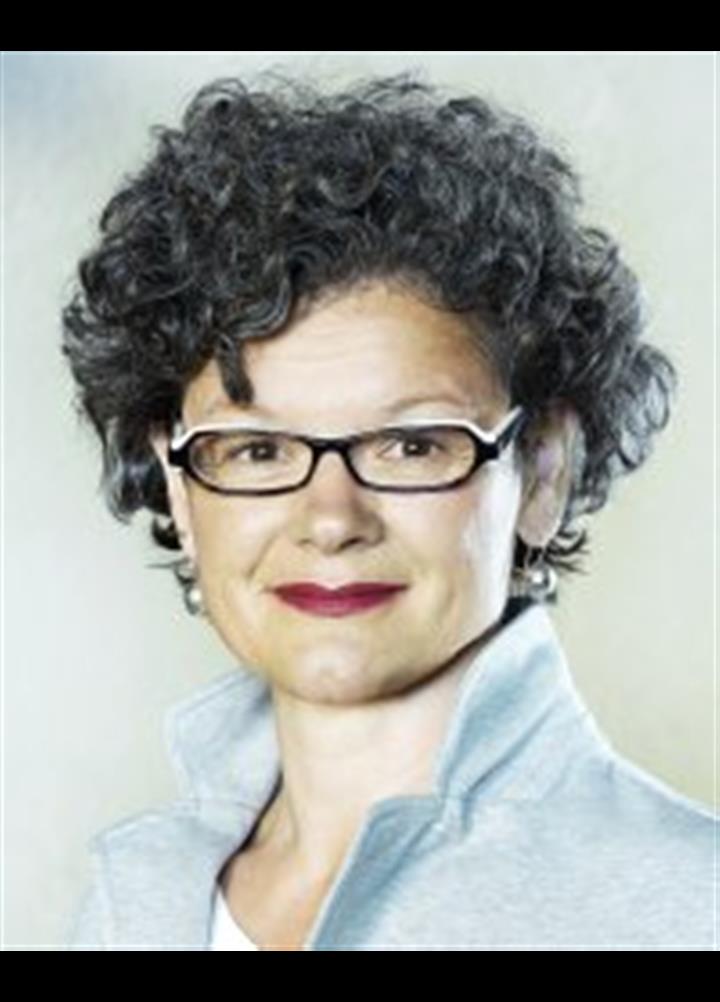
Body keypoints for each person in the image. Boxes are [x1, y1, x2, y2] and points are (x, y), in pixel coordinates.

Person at [60, 68, 716, 951]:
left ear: (542, 473)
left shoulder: (691, 906)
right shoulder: (131, 902)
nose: (331, 519)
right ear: (178, 485)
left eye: (410, 445)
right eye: (256, 449)